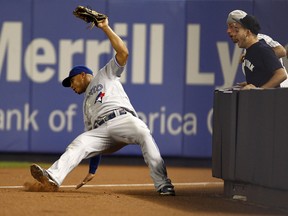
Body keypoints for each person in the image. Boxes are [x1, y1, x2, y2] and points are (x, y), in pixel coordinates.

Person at [30, 17, 175, 196]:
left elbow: (123, 53)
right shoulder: (85, 105)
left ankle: (163, 184)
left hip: (123, 119)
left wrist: (105, 27)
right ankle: (53, 177)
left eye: (72, 81)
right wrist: (92, 170)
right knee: (80, 142)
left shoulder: (105, 74)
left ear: (83, 75)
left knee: (143, 133)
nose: (72, 86)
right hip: (103, 132)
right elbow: (92, 139)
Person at [226, 10, 288, 87]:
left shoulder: (260, 41)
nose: (229, 31)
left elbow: (282, 51)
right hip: (269, 92)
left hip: (279, 88)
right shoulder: (249, 48)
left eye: (234, 27)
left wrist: (259, 56)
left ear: (247, 31)